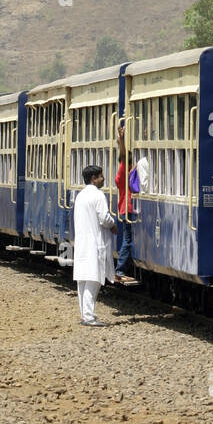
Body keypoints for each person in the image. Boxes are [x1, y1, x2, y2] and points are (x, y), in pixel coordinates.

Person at [72, 165, 117, 327]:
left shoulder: (80, 196)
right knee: (94, 278)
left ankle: (85, 314)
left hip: (82, 243)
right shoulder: (97, 195)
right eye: (101, 176)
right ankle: (89, 317)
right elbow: (104, 218)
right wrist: (113, 225)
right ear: (94, 179)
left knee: (83, 281)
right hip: (94, 243)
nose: (103, 178)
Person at [114, 125, 134, 282]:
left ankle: (121, 269)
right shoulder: (122, 171)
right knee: (127, 241)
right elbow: (123, 155)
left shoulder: (124, 174)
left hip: (124, 208)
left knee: (128, 240)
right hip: (127, 209)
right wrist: (121, 140)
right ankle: (120, 270)